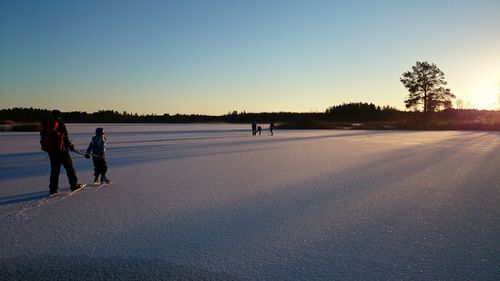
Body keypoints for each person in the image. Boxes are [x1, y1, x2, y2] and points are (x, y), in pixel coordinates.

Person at [40, 110, 85, 196]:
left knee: (55, 170)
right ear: (59, 116)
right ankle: (74, 185)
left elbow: (42, 138)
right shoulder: (59, 123)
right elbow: (65, 137)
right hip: (61, 150)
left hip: (51, 151)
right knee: (69, 168)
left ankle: (53, 189)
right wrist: (70, 146)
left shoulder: (46, 124)